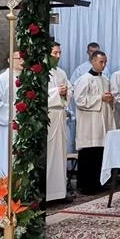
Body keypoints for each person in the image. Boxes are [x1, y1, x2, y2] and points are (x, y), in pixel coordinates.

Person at [73, 50, 116, 194]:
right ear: (93, 61)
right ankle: (85, 186)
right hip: (89, 124)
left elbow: (108, 98)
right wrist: (100, 98)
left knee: (99, 153)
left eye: (105, 62)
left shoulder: (105, 79)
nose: (103, 65)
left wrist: (110, 98)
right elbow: (79, 100)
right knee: (88, 154)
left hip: (102, 121)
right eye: (100, 62)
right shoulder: (84, 79)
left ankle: (98, 183)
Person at [0, 52, 23, 195]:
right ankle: (3, 198)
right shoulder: (1, 80)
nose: (21, 60)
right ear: (9, 60)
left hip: (24, 128)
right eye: (18, 58)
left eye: (23, 57)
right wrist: (18, 110)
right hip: (6, 129)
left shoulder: (29, 79)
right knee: (6, 162)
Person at [47, 42, 72, 203]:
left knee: (60, 155)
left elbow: (70, 90)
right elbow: (36, 95)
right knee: (49, 155)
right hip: (48, 115)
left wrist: (66, 92)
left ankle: (60, 192)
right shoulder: (40, 72)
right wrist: (57, 92)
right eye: (55, 53)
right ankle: (48, 193)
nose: (58, 56)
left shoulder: (61, 72)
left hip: (60, 115)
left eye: (59, 53)